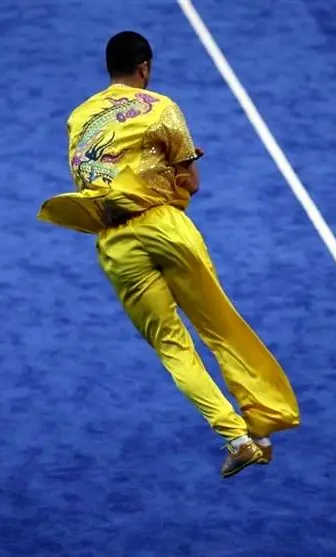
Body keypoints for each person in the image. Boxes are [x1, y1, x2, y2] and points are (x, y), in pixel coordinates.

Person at [38, 31, 300, 478]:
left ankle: (236, 440)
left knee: (172, 347)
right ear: (144, 68)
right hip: (166, 228)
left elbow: (93, 178)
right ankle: (262, 426)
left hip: (116, 243)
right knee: (220, 326)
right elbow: (191, 183)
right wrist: (178, 170)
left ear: (110, 68)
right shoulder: (161, 108)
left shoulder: (78, 118)